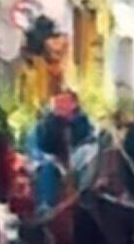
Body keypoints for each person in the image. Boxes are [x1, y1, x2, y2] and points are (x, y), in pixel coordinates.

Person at [30, 90, 95, 220]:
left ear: (74, 104)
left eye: (64, 102)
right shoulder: (46, 124)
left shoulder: (83, 123)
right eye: (58, 102)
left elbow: (88, 139)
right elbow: (42, 144)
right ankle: (46, 206)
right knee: (47, 169)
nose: (60, 105)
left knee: (89, 162)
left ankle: (86, 197)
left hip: (78, 157)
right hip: (55, 159)